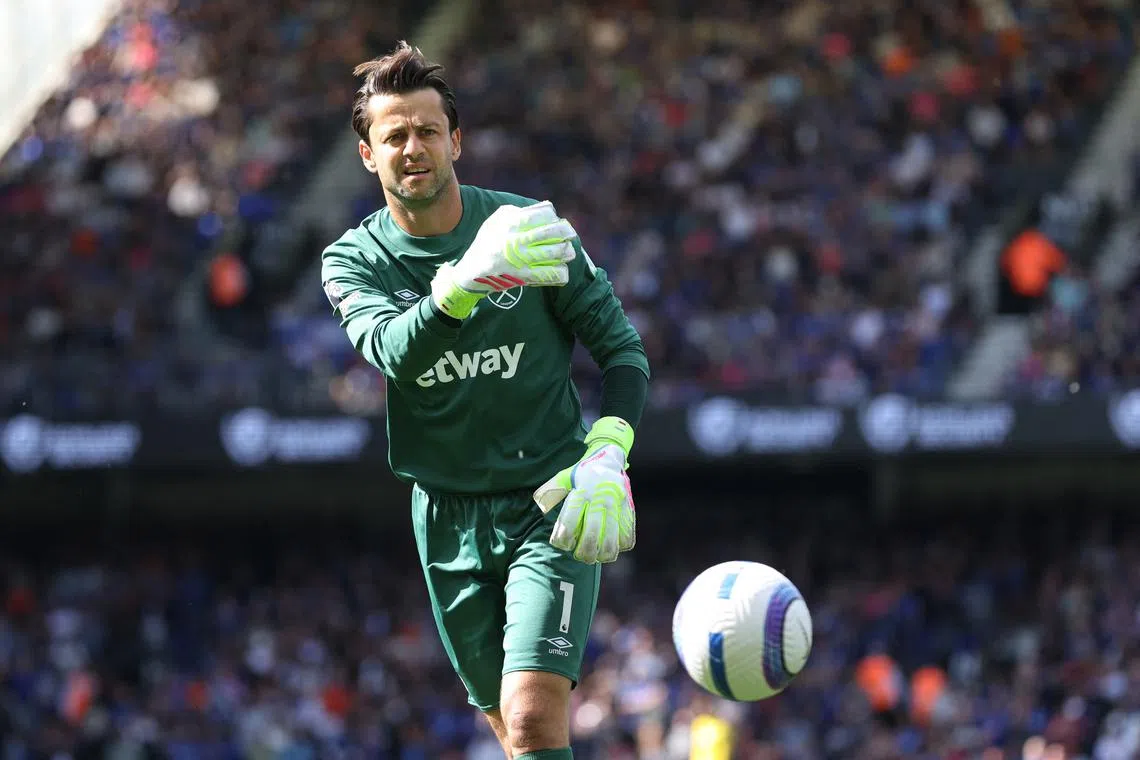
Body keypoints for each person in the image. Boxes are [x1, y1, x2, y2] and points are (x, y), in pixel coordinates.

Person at [320, 41, 650, 760]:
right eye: (394, 135)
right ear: (368, 155)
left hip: (549, 499)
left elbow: (622, 352)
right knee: (516, 739)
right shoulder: (352, 261)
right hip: (446, 517)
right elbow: (392, 355)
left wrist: (609, 449)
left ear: (456, 141)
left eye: (428, 131)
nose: (414, 147)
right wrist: (461, 283)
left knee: (534, 720)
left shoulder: (529, 230)